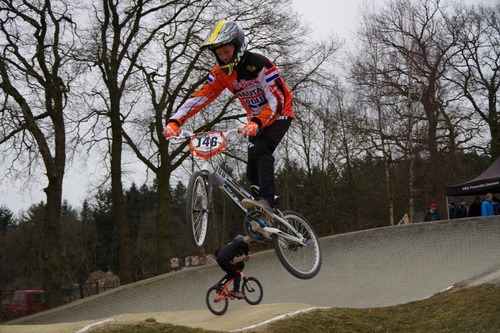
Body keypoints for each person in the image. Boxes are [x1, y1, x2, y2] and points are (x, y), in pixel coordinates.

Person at [163, 20, 294, 219]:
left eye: (227, 51)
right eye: (219, 53)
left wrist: (257, 122)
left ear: (238, 47)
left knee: (262, 149)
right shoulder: (221, 74)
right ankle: (265, 216)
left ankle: (266, 199)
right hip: (254, 120)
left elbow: (277, 100)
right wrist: (175, 122)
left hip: (280, 113)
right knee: (252, 169)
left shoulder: (260, 65)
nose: (223, 57)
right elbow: (201, 96)